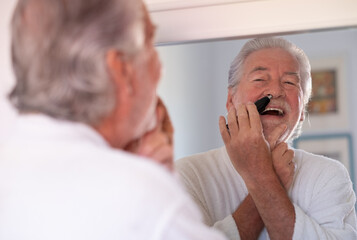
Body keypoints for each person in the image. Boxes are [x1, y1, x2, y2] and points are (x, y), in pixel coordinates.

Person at [0, 0, 228, 239]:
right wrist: (155, 186)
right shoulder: (141, 197)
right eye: (150, 43)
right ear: (122, 70)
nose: (160, 68)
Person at [176, 37, 357, 240]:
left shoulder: (329, 176)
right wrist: (269, 178)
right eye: (260, 79)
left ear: (303, 111)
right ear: (230, 100)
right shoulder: (186, 175)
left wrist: (262, 177)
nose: (275, 91)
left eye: (289, 82)